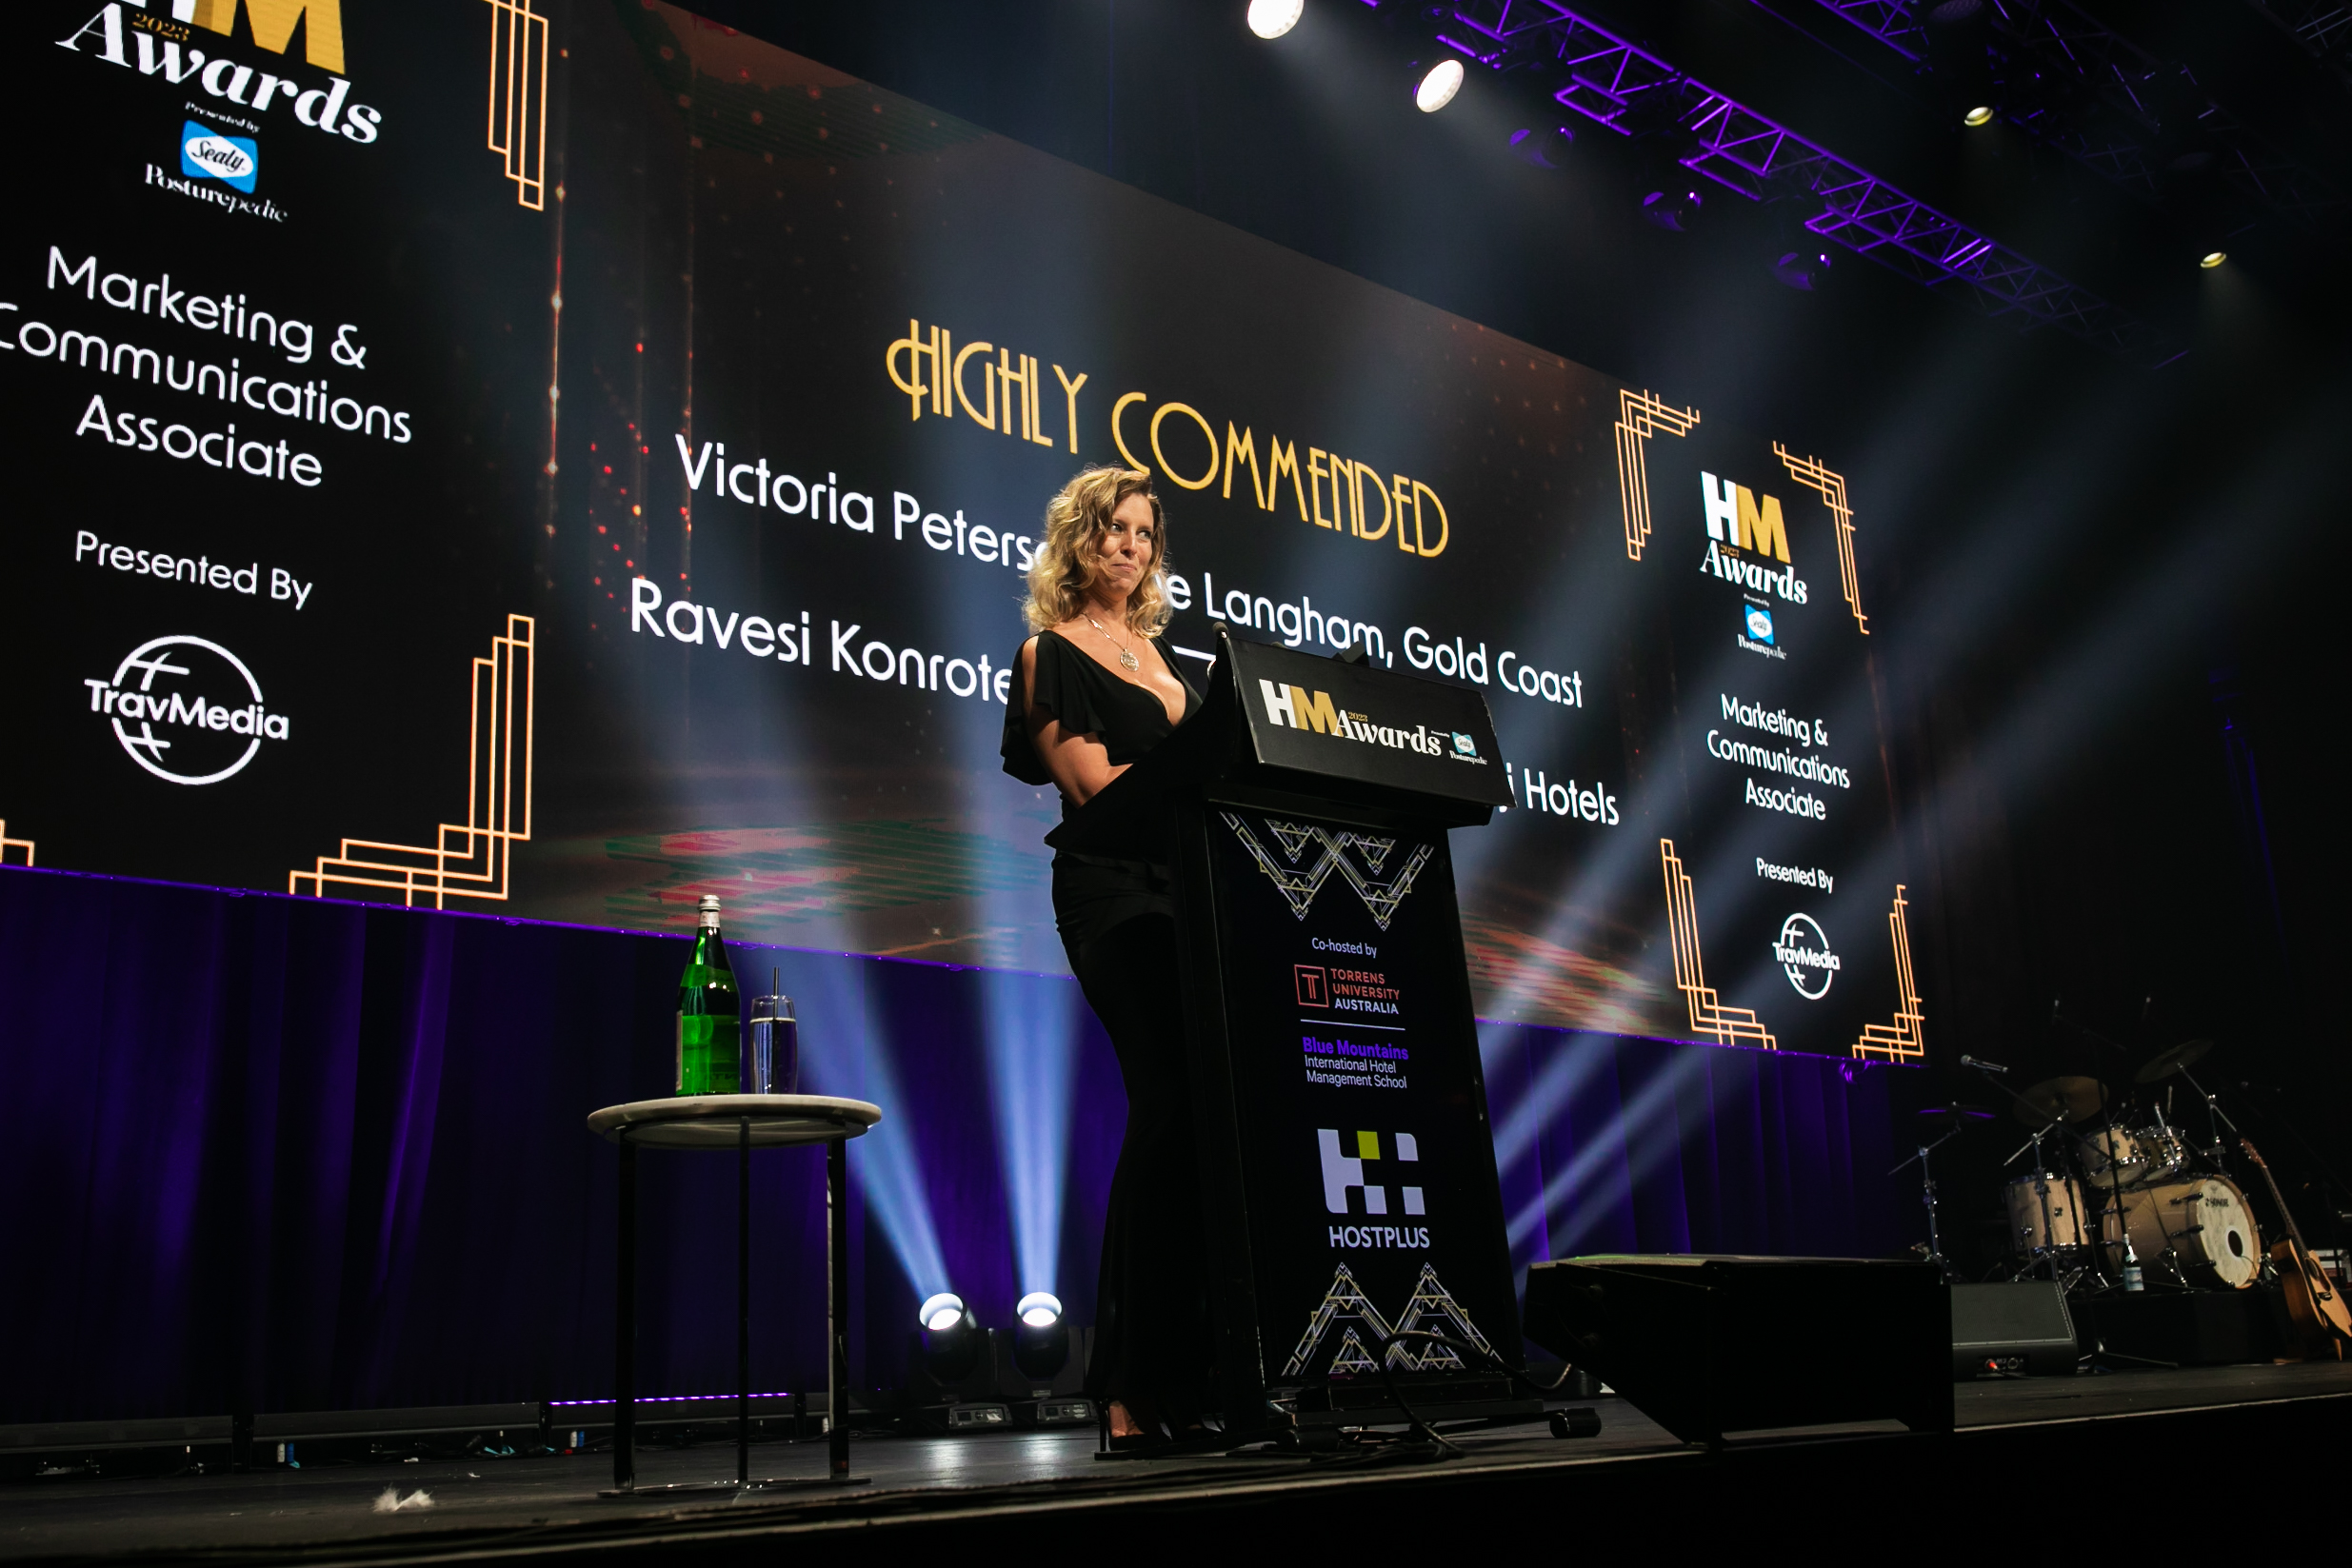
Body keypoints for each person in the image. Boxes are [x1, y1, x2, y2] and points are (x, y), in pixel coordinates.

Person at [999, 466, 1214, 1449]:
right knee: (1168, 1103)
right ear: (1078, 541)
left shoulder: (1171, 662)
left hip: (1195, 899)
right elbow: (1093, 787)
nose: (1129, 547)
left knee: (1208, 1127)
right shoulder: (1048, 653)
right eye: (1112, 529)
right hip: (1115, 897)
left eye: (1143, 534)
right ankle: (1128, 1385)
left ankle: (1196, 1378)